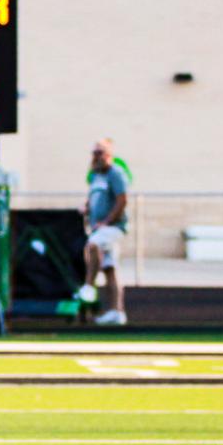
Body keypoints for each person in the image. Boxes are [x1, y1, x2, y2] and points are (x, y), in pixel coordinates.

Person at [75, 139, 130, 325]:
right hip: (98, 227)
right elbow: (94, 198)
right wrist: (86, 208)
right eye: (94, 153)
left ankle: (89, 286)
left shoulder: (115, 174)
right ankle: (117, 312)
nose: (96, 157)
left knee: (93, 245)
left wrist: (107, 221)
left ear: (109, 155)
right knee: (110, 269)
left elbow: (122, 200)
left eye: (100, 153)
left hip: (113, 228)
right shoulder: (96, 176)